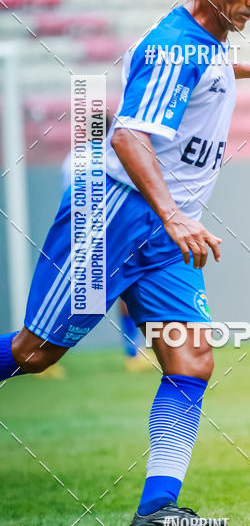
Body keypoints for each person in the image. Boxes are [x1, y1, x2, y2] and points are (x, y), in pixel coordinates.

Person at [0, 0, 250, 526]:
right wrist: (173, 215)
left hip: (166, 229)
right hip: (117, 214)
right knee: (35, 354)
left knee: (191, 359)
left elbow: (199, 74)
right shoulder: (175, 45)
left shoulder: (205, 41)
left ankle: (157, 513)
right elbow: (128, 135)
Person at [59, 113, 147, 374]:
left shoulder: (73, 158)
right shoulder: (116, 156)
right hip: (115, 232)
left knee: (72, 295)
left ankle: (38, 353)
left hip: (81, 232)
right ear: (111, 130)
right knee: (127, 289)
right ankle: (133, 354)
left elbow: (68, 197)